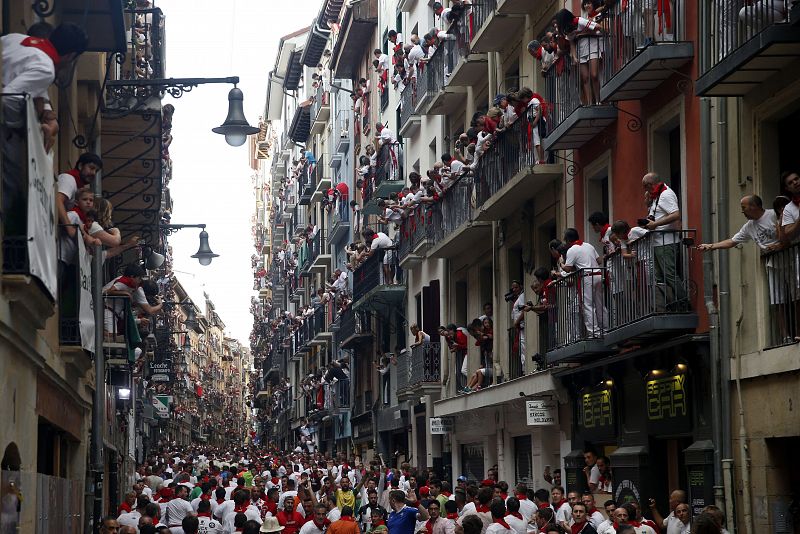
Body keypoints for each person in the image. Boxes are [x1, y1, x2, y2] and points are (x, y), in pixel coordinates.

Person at [642, 172, 686, 309]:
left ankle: (683, 304)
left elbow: (676, 214)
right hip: (658, 242)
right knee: (660, 277)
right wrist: (648, 203)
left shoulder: (666, 194)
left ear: (650, 185)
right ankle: (667, 306)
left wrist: (655, 225)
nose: (645, 190)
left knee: (669, 275)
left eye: (645, 187)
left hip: (666, 242)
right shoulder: (657, 195)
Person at [562, 228, 607, 338]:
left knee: (588, 305)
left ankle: (594, 332)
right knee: (600, 304)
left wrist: (561, 264)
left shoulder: (572, 250)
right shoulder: (588, 245)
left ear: (568, 240)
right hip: (598, 274)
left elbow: (567, 269)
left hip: (587, 277)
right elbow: (599, 261)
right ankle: (605, 329)